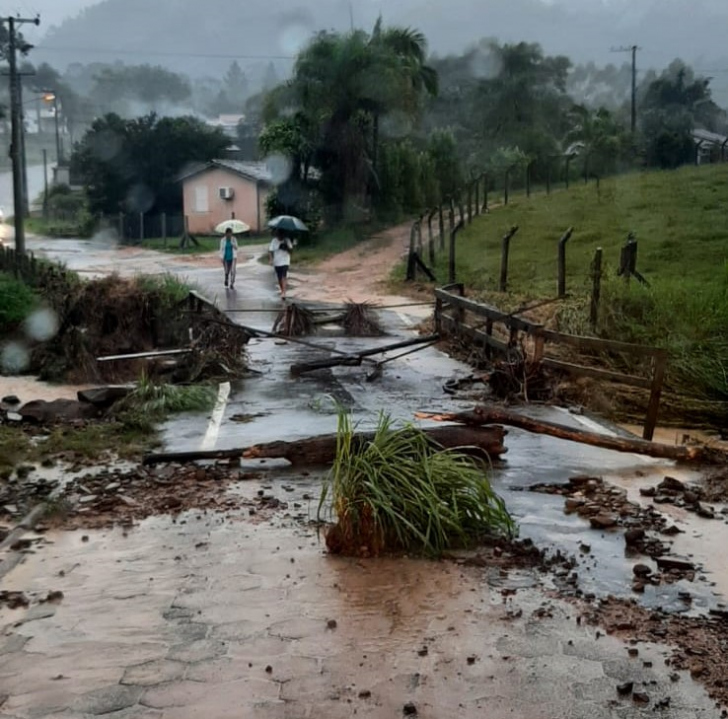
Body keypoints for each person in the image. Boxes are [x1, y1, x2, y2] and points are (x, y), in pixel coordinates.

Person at [269, 230, 293, 299]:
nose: (280, 236)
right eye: (278, 234)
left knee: (284, 276)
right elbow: (270, 251)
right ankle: (282, 290)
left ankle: (284, 292)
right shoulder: (274, 241)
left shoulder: (287, 240)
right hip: (277, 262)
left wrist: (286, 247)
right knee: (279, 278)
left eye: (281, 235)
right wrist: (270, 259)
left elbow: (291, 251)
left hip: (285, 261)